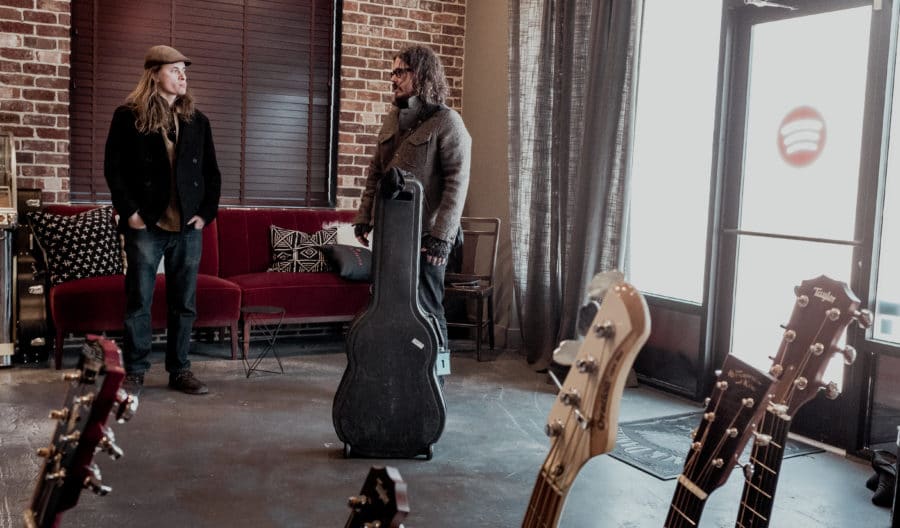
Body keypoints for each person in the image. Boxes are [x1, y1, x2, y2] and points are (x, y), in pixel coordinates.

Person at [104, 45, 221, 395]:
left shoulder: (198, 121)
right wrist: (130, 213)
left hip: (187, 227)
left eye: (184, 70)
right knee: (139, 300)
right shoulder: (128, 116)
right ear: (154, 74)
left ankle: (180, 369)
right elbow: (114, 169)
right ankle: (135, 371)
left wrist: (205, 214)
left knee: (184, 303)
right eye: (174, 70)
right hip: (147, 225)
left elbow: (212, 174)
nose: (183, 76)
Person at [353, 44, 472, 347]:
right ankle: (399, 367)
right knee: (390, 307)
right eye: (392, 72)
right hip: (392, 232)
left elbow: (457, 184)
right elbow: (376, 172)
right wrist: (364, 217)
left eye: (400, 72)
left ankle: (437, 370)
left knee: (428, 308)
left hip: (428, 237)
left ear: (421, 74)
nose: (393, 79)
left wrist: (441, 238)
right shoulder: (393, 118)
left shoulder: (448, 122)